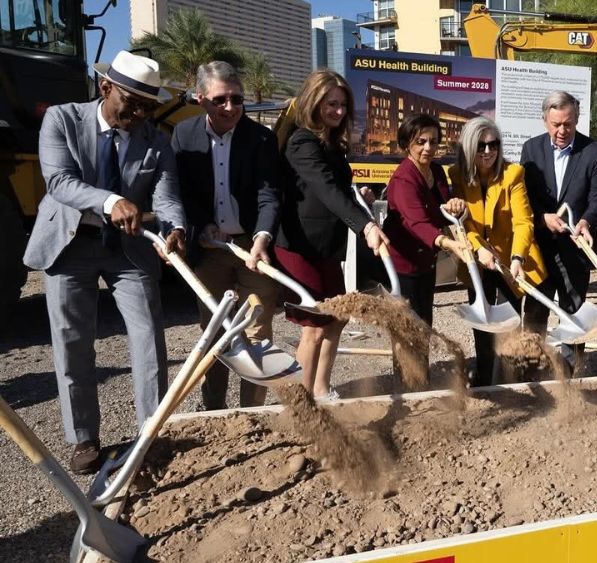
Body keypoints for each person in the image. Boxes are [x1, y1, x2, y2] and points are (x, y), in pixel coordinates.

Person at [23, 50, 186, 474]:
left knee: (148, 336)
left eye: (147, 107)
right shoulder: (61, 119)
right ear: (105, 87)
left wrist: (174, 228)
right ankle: (84, 437)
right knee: (73, 342)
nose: (139, 114)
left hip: (128, 249)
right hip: (69, 243)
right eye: (131, 103)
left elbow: (166, 196)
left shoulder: (155, 140)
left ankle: (151, 432)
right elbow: (59, 181)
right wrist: (112, 201)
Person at [172, 61, 280, 410]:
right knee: (214, 333)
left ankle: (253, 412)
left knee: (257, 333)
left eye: (237, 99)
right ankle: (214, 409)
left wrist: (262, 238)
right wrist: (202, 224)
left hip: (252, 249)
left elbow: (268, 195)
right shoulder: (184, 135)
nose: (230, 107)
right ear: (200, 98)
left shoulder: (261, 138)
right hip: (210, 250)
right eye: (220, 100)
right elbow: (182, 192)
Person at [276, 70, 389, 400]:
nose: (338, 111)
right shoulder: (301, 142)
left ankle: (321, 389)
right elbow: (325, 189)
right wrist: (366, 225)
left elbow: (337, 189)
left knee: (337, 318)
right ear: (314, 102)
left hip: (326, 246)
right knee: (314, 325)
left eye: (342, 105)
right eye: (331, 104)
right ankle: (301, 402)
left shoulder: (330, 143)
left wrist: (359, 197)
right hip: (300, 246)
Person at [519, 91, 597, 372]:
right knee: (535, 311)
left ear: (577, 119)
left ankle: (570, 373)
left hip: (575, 247)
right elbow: (524, 196)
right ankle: (532, 370)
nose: (562, 131)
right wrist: (541, 218)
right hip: (540, 247)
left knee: (574, 311)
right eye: (556, 124)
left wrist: (586, 220)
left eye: (568, 124)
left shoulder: (594, 152)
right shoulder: (531, 149)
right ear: (545, 121)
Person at [449, 117, 547, 385]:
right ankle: (484, 377)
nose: (488, 151)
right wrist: (479, 249)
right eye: (481, 145)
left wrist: (517, 258)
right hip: (476, 261)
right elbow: (461, 223)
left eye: (493, 144)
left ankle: (509, 378)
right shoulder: (457, 175)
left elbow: (523, 221)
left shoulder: (512, 174)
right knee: (482, 323)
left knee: (509, 323)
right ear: (469, 147)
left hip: (508, 261)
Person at [381, 114, 468, 389]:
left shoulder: (436, 172)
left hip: (426, 262)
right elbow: (416, 222)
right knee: (406, 329)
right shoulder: (403, 179)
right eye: (421, 141)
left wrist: (455, 206)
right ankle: (407, 389)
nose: (428, 148)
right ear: (407, 143)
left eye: (433, 141)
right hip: (403, 266)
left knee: (423, 325)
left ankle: (421, 384)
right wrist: (447, 243)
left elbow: (441, 209)